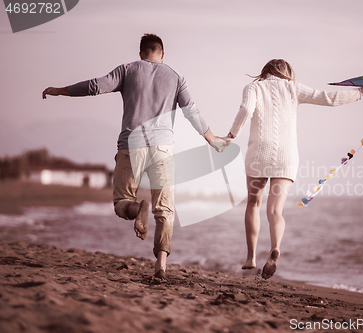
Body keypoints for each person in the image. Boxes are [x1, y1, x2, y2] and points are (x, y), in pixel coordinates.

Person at [42, 34, 228, 279]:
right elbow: (192, 112)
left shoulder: (128, 70)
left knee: (121, 203)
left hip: (132, 145)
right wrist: (211, 138)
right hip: (163, 148)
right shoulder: (175, 77)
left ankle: (136, 207)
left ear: (141, 53)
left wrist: (60, 90)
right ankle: (161, 265)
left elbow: (95, 86)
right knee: (165, 209)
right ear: (162, 54)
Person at [226, 59, 363, 279]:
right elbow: (328, 98)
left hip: (259, 154)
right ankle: (275, 247)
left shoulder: (254, 87)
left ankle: (251, 258)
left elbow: (246, 109)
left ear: (266, 72)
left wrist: (232, 135)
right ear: (287, 74)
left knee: (253, 203)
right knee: (275, 211)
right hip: (286, 157)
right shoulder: (293, 88)